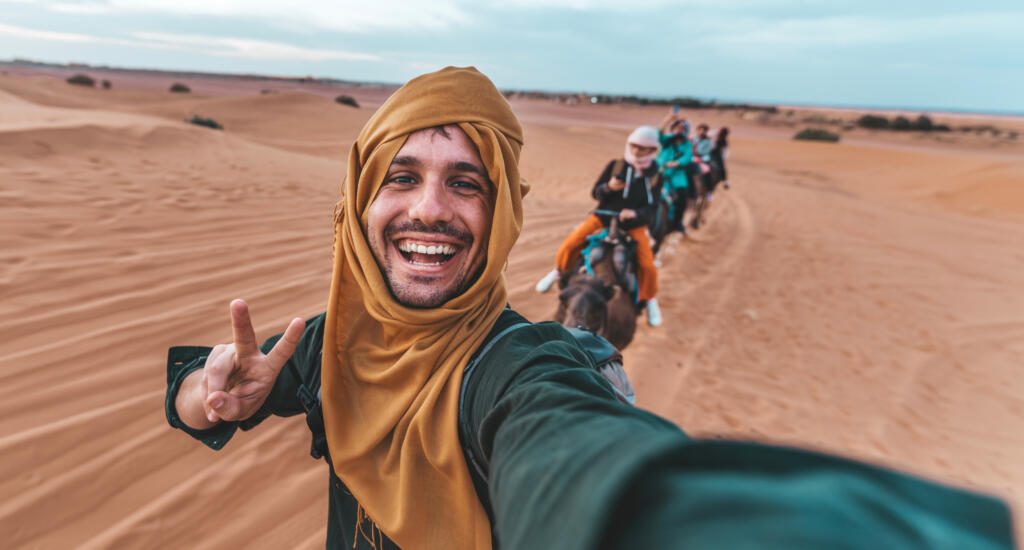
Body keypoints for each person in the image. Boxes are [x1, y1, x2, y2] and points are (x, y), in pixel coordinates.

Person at [165, 67, 1015, 550]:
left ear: (498, 216)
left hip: (640, 227)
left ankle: (645, 305)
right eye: (402, 176)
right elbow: (200, 396)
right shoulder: (327, 348)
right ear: (359, 199)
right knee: (580, 253)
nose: (430, 208)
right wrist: (210, 397)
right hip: (603, 222)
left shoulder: (512, 370)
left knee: (638, 258)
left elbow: (570, 447)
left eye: (468, 183)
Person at [534, 126, 663, 327]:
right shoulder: (616, 166)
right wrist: (609, 187)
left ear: (653, 150)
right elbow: (596, 193)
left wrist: (636, 214)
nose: (638, 152)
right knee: (570, 244)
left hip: (633, 226)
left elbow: (652, 207)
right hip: (603, 217)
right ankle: (558, 272)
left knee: (648, 265)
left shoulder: (655, 176)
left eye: (644, 149)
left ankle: (650, 299)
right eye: (635, 146)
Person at [657, 110, 696, 234]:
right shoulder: (667, 141)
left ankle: (677, 223)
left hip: (677, 175)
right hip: (660, 171)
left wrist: (676, 163)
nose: (679, 130)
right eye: (677, 127)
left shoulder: (687, 144)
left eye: (682, 128)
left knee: (682, 198)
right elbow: (659, 132)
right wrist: (668, 119)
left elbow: (688, 157)